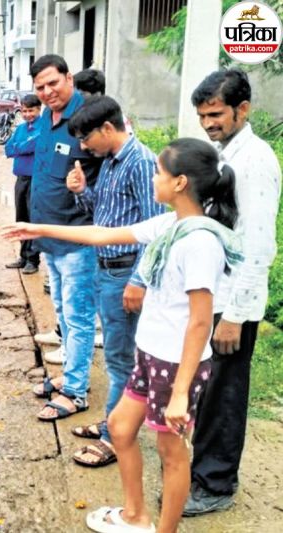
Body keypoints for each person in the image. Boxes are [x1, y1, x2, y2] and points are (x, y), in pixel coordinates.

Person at [4, 137, 243, 533]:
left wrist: (182, 391)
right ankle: (136, 515)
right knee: (119, 427)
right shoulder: (170, 225)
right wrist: (35, 227)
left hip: (174, 366)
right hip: (150, 356)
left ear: (180, 183)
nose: (154, 178)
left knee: (172, 454)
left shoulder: (200, 241)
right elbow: (103, 235)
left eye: (159, 173)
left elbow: (201, 322)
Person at [185, 69, 282, 516]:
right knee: (207, 392)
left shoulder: (255, 161)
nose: (208, 123)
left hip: (232, 306)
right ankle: (204, 472)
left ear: (244, 109)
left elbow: (259, 245)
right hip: (216, 296)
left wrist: (235, 316)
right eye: (203, 115)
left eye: (216, 114)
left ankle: (215, 485)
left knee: (223, 397)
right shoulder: (225, 152)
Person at [62, 95, 165, 468]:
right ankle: (112, 421)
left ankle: (114, 437)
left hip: (125, 272)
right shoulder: (110, 162)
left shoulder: (141, 163)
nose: (84, 146)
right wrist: (80, 193)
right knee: (116, 357)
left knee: (122, 361)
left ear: (108, 128)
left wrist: (137, 281)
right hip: (106, 267)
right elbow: (104, 214)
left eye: (87, 138)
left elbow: (155, 231)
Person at [28, 54, 102, 419]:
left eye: (52, 83)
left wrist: (86, 187)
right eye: (40, 87)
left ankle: (76, 392)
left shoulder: (88, 119)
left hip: (77, 239)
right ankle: (71, 375)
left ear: (68, 78)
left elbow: (111, 171)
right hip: (49, 236)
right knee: (62, 314)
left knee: (79, 316)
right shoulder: (46, 117)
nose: (46, 92)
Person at [4, 93, 42, 274]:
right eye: (25, 111)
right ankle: (23, 256)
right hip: (21, 179)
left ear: (39, 109)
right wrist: (22, 147)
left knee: (34, 219)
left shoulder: (44, 128)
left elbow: (32, 145)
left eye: (31, 110)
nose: (28, 114)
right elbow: (8, 148)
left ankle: (33, 260)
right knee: (21, 218)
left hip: (37, 179)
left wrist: (20, 147)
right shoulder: (20, 129)